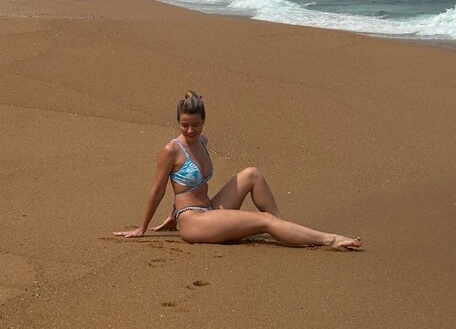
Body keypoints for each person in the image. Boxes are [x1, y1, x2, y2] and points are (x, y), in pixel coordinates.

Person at [114, 90, 362, 251]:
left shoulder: (202, 141)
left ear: (204, 122)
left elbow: (183, 183)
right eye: (184, 125)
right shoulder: (171, 150)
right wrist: (142, 228)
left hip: (210, 209)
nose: (190, 131)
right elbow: (159, 188)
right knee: (264, 221)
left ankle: (285, 227)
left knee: (252, 174)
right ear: (178, 122)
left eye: (195, 125)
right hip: (193, 221)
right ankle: (330, 239)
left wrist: (171, 213)